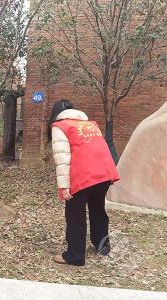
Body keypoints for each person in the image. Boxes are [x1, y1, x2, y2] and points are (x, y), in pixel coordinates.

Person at [47, 99, 119, 266]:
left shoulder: (60, 126)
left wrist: (64, 186)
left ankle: (75, 255)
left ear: (55, 114)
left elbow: (63, 159)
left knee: (75, 215)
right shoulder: (90, 124)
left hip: (84, 175)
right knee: (98, 209)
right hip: (104, 173)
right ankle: (103, 246)